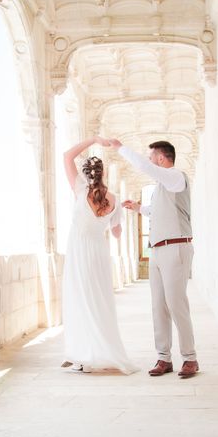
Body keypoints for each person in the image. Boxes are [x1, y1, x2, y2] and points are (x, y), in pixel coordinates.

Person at [109, 138, 199, 378]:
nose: (150, 163)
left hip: (176, 247)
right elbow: (156, 212)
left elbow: (144, 167)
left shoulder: (176, 176)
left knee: (176, 303)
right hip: (157, 250)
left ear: (161, 158)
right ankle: (164, 358)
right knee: (158, 305)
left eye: (151, 158)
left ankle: (190, 358)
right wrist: (138, 208)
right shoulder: (162, 187)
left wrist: (121, 148)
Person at [60, 136, 139, 375]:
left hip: (79, 252)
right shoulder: (113, 200)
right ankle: (94, 352)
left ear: (85, 174)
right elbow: (116, 234)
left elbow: (66, 156)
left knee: (78, 300)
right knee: (99, 302)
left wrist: (95, 139)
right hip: (98, 253)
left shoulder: (79, 189)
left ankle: (82, 357)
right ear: (103, 174)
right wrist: (120, 217)